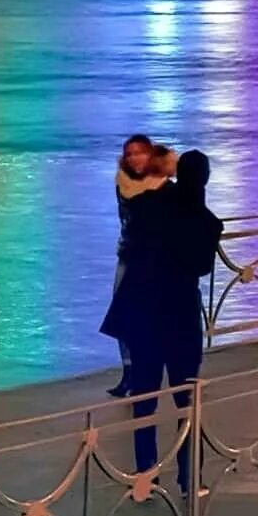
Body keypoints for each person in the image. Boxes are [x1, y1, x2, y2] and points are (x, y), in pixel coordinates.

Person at [101, 150, 223, 497]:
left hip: (144, 311)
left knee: (145, 398)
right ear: (205, 180)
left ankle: (145, 477)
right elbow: (201, 267)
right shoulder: (208, 223)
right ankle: (189, 478)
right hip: (181, 314)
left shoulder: (153, 204)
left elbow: (130, 212)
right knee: (187, 400)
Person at [107, 135, 170, 397]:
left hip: (154, 258)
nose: (134, 158)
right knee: (122, 312)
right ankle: (129, 372)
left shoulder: (164, 186)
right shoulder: (121, 184)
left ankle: (148, 370)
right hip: (128, 254)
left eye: (140, 152)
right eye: (129, 153)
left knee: (151, 315)